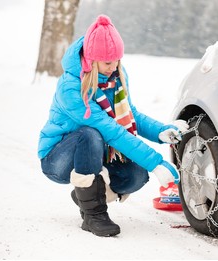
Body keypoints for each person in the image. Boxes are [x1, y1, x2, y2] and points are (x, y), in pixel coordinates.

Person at [37, 15, 188, 237]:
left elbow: (130, 114)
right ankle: (94, 215)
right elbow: (109, 129)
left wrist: (160, 132)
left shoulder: (116, 75)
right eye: (108, 62)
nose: (114, 66)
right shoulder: (71, 88)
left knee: (136, 174)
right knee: (89, 134)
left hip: (97, 153)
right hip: (58, 159)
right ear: (91, 60)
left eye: (117, 60)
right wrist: (156, 162)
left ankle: (86, 194)